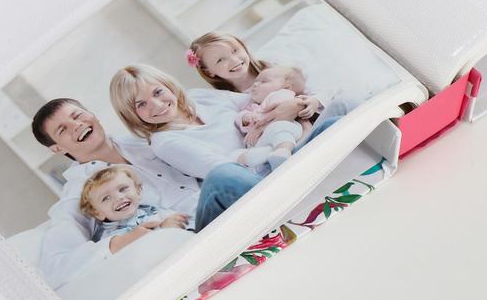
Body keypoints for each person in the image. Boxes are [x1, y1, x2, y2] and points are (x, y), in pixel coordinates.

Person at [109, 63, 346, 224]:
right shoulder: (164, 141)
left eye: (158, 92)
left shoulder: (200, 97)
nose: (156, 104)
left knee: (340, 112)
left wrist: (296, 104)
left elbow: (261, 100)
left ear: (169, 86)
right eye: (141, 104)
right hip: (256, 180)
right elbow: (223, 167)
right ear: (132, 114)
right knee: (222, 175)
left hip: (284, 150)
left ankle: (310, 179)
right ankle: (294, 192)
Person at [31, 97, 198, 288]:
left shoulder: (144, 139)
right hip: (184, 245)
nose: (76, 125)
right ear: (58, 148)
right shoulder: (78, 192)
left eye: (77, 116)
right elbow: (55, 268)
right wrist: (121, 242)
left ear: (92, 114)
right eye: (63, 130)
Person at [188, 32, 326, 146]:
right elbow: (242, 130)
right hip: (282, 140)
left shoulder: (276, 67)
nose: (234, 60)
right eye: (220, 60)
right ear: (209, 72)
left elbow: (319, 89)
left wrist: (311, 101)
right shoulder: (229, 100)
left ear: (243, 46)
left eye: (235, 51)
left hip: (313, 121)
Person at [78, 165, 190, 253]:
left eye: (122, 189)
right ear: (98, 213)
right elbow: (137, 253)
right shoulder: (113, 237)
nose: (119, 197)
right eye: (106, 198)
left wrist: (177, 220)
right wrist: (163, 229)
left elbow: (180, 220)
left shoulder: (151, 209)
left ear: (138, 190)